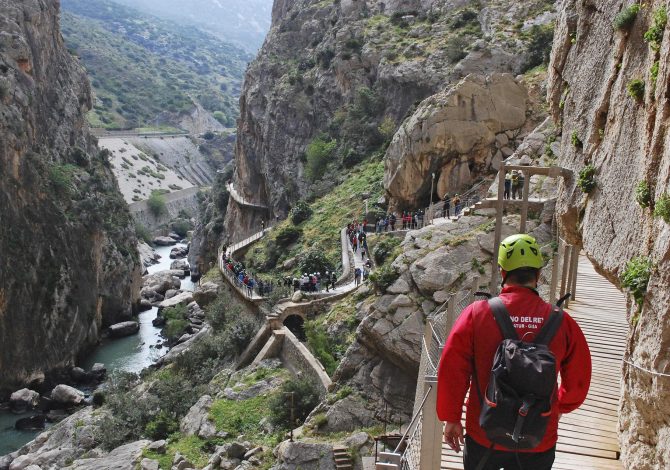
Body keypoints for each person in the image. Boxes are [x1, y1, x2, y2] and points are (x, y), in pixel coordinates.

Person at [436, 234, 591, 470]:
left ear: (501, 272)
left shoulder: (477, 314)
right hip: (538, 435)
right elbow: (579, 379)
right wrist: (559, 406)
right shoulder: (562, 322)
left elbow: (452, 369)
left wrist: (452, 417)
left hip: (484, 432)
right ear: (538, 275)